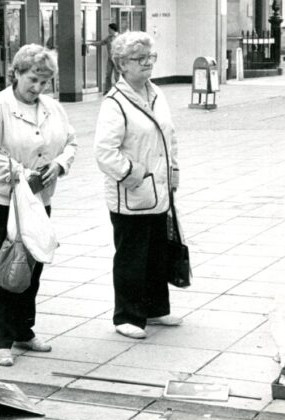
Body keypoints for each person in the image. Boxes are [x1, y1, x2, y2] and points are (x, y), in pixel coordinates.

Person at [0, 44, 77, 367]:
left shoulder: (52, 108)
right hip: (2, 200)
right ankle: (0, 339)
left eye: (44, 82)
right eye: (32, 79)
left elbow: (71, 142)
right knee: (7, 265)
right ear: (15, 73)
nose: (38, 87)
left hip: (38, 200)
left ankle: (22, 330)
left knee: (34, 263)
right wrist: (19, 173)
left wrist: (58, 165)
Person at [93, 31, 181, 340]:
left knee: (157, 252)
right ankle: (127, 315)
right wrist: (136, 174)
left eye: (150, 57)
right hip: (132, 193)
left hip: (159, 190)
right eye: (139, 59)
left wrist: (173, 170)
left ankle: (155, 309)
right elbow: (104, 152)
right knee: (131, 256)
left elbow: (169, 135)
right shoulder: (115, 102)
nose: (147, 63)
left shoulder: (155, 92)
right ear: (121, 64)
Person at [94, 22, 120, 92]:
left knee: (117, 75)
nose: (108, 30)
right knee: (108, 74)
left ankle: (119, 90)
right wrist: (91, 44)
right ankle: (107, 90)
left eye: (109, 29)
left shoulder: (120, 38)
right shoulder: (108, 38)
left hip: (117, 59)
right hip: (110, 59)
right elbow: (101, 42)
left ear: (113, 29)